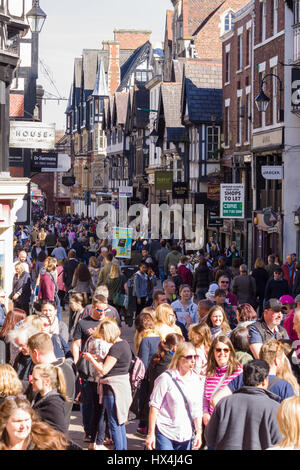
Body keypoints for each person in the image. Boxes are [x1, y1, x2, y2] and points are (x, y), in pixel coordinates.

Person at [204, 360, 282, 450]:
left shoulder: (224, 404)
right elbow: (280, 442)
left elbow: (210, 438)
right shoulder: (274, 408)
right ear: (265, 381)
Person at [82, 319, 132, 450]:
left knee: (114, 423)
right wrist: (101, 359)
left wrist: (91, 359)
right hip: (120, 387)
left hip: (112, 388)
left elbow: (104, 370)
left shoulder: (116, 347)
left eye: (103, 335)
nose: (103, 339)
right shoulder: (124, 344)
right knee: (119, 423)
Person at [146, 342, 203, 450]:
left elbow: (197, 410)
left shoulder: (197, 380)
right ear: (179, 358)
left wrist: (199, 432)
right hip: (165, 431)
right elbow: (154, 406)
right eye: (189, 357)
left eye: (195, 356)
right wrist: (150, 434)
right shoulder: (166, 378)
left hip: (186, 433)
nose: (193, 360)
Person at [72, 296, 112, 442]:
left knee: (105, 403)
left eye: (104, 310)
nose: (102, 312)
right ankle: (89, 431)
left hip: (106, 369)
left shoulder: (109, 322)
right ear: (92, 307)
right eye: (99, 309)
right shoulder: (83, 323)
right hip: (88, 370)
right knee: (89, 402)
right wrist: (77, 363)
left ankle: (104, 432)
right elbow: (76, 344)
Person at [27, 332, 75, 432]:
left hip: (47, 433)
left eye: (30, 354)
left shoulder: (44, 374)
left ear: (35, 353)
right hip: (61, 430)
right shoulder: (67, 368)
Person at [139, 333, 184, 436]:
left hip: (153, 400)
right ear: (174, 348)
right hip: (165, 406)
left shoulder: (157, 357)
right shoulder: (171, 363)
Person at [0, 396, 70, 450]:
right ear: (4, 422)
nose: (23, 426)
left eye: (27, 420)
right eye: (18, 421)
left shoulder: (46, 442)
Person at [202, 335, 243, 424]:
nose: (222, 353)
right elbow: (205, 398)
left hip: (229, 422)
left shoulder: (238, 372)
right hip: (212, 423)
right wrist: (205, 413)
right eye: (218, 350)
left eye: (225, 350)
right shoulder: (209, 373)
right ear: (213, 352)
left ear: (230, 352)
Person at [30, 363, 68, 434]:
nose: (31, 381)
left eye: (35, 379)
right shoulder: (39, 396)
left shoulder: (54, 403)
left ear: (47, 381)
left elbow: (61, 433)